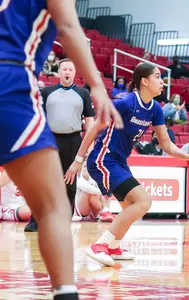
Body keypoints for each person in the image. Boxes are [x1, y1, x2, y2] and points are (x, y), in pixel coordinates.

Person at [0, 1, 122, 299]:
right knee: (53, 208)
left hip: (63, 135)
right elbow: (67, 26)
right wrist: (97, 84)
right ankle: (66, 294)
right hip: (9, 78)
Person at [64, 63, 189, 267]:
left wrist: (187, 156)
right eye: (158, 77)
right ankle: (100, 246)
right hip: (103, 159)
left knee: (130, 207)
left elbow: (166, 144)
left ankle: (114, 246)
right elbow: (95, 128)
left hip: (119, 161)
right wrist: (78, 161)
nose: (162, 81)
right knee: (143, 202)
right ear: (144, 81)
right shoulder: (125, 103)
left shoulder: (156, 109)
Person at [25, 58, 96, 233]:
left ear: (74, 73)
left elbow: (89, 121)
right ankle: (36, 221)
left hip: (73, 141)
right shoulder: (47, 92)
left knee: (69, 182)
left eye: (70, 70)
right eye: (64, 69)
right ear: (58, 72)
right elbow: (37, 117)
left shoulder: (83, 94)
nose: (67, 72)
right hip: (49, 141)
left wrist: (91, 144)